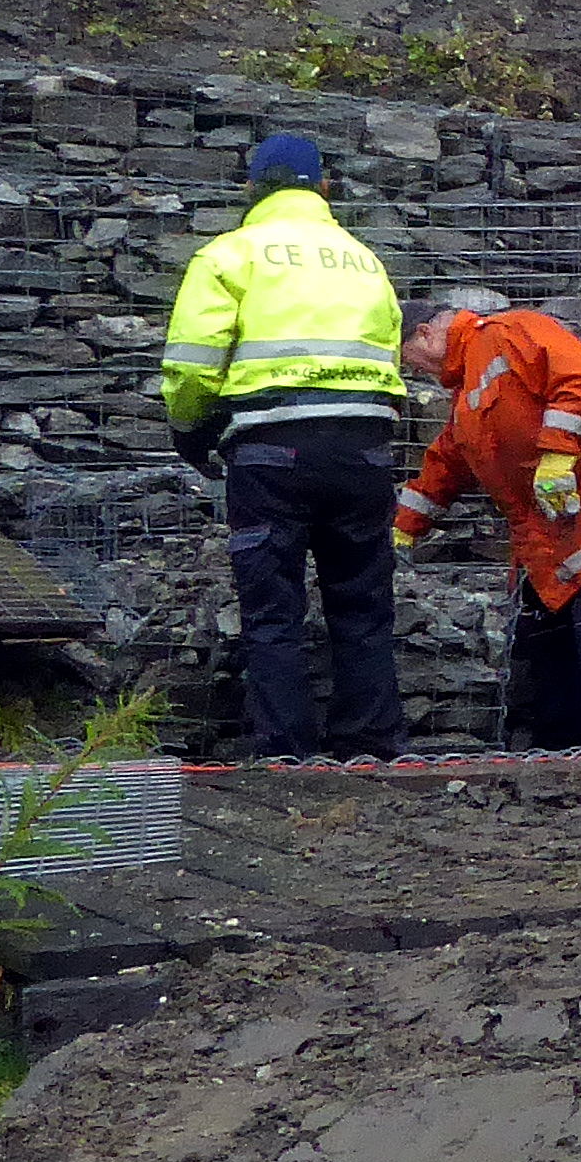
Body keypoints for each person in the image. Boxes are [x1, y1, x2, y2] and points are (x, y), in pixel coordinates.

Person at [159, 133, 408, 758]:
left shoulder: (229, 255)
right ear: (324, 187)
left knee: (273, 612)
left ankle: (285, 751)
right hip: (364, 449)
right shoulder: (364, 260)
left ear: (252, 188)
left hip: (272, 449)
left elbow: (192, 366)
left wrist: (190, 428)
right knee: (363, 605)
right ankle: (371, 744)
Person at [390, 307, 581, 748]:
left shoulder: (510, 332)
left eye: (409, 357)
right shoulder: (468, 392)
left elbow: (576, 381)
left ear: (424, 334)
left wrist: (558, 453)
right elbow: (448, 464)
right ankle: (568, 750)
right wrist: (406, 526)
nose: (412, 368)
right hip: (557, 534)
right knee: (554, 646)